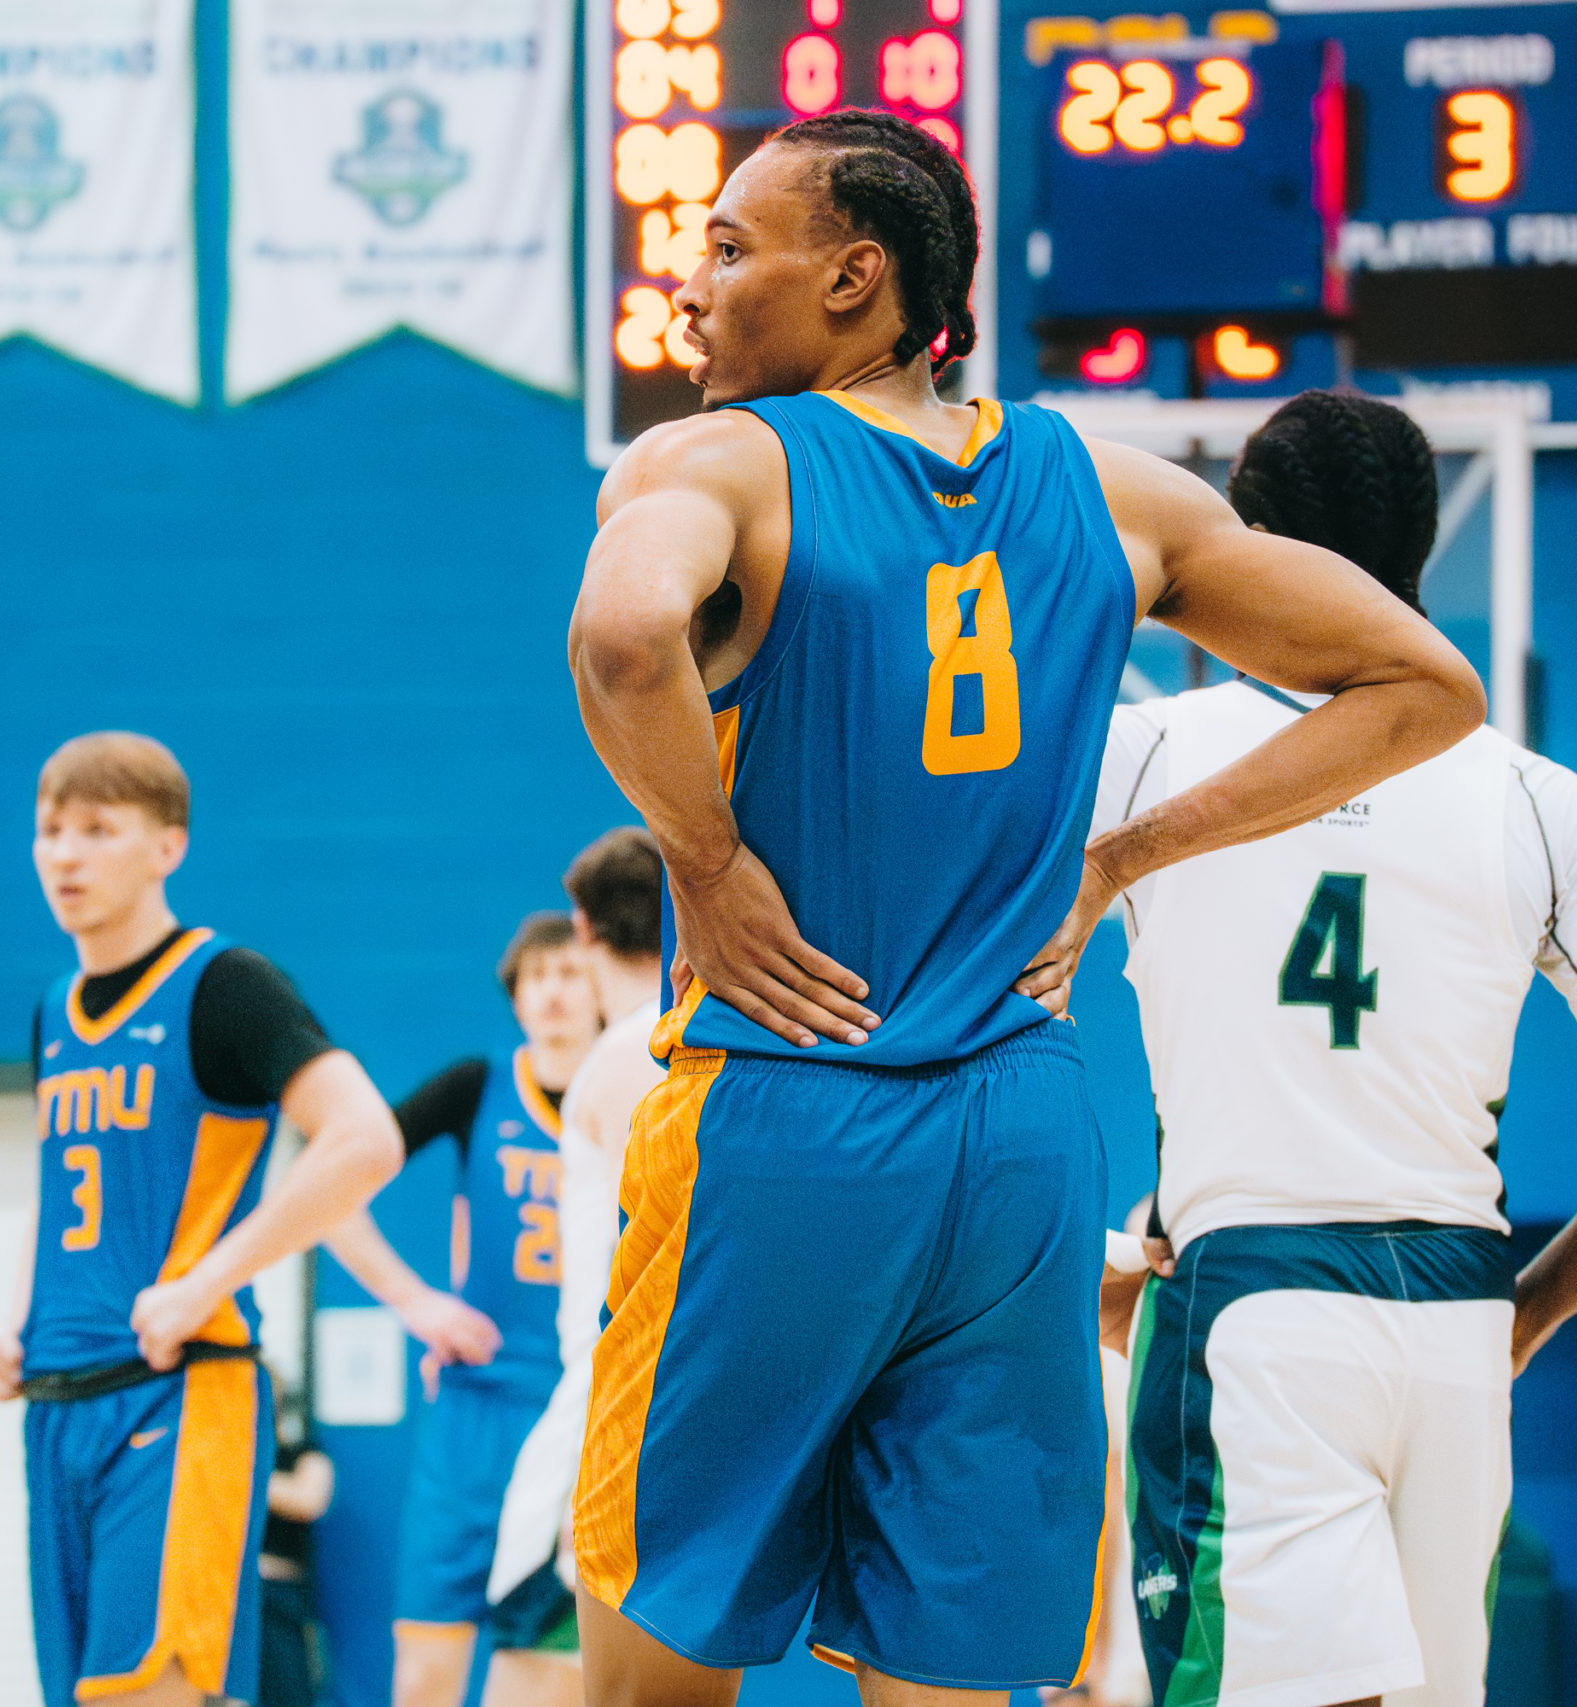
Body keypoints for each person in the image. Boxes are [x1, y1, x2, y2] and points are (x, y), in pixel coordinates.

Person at [565, 109, 1486, 1707]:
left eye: (727, 248)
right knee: (953, 1665)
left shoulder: (717, 458)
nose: (693, 287)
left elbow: (626, 635)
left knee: (656, 1647)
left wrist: (706, 863)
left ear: (855, 279)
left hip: (791, 1105)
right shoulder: (1114, 488)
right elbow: (1427, 680)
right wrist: (1124, 855)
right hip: (1024, 1143)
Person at [1098, 390, 1577, 1707]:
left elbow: (951, 998)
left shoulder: (1143, 750)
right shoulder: (1535, 795)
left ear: (1249, 539)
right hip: (1458, 1317)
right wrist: (1539, 1307)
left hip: (1258, 1302)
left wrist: (1064, 1258)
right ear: (1424, 547)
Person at [0, 731, 405, 1707]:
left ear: (167, 846)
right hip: (56, 1403)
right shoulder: (53, 1013)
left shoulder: (222, 986)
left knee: (150, 1694)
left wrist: (205, 1284)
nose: (66, 855)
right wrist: (15, 1322)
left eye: (97, 830)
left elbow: (365, 1139)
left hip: (180, 1392)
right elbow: (60, 1185)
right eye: (50, 831)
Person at [320, 914, 602, 1707]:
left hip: (575, 1419)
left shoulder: (629, 1096)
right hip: (473, 1415)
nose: (552, 991)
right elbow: (331, 1187)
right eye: (535, 975)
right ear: (515, 995)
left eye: (571, 971)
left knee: (550, 1683)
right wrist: (415, 1302)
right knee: (423, 1676)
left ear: (602, 986)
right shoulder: (477, 1088)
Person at [482, 828, 673, 1707]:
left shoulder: (625, 1058)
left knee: (527, 1678)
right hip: (682, 1404)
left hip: (609, 1406)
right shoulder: (711, 1038)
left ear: (584, 930)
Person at [260, 1380, 336, 1707]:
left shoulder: (303, 1454)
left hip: (281, 1599)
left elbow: (309, 1500)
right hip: (221, 1594)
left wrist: (235, 1474)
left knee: (287, 1692)